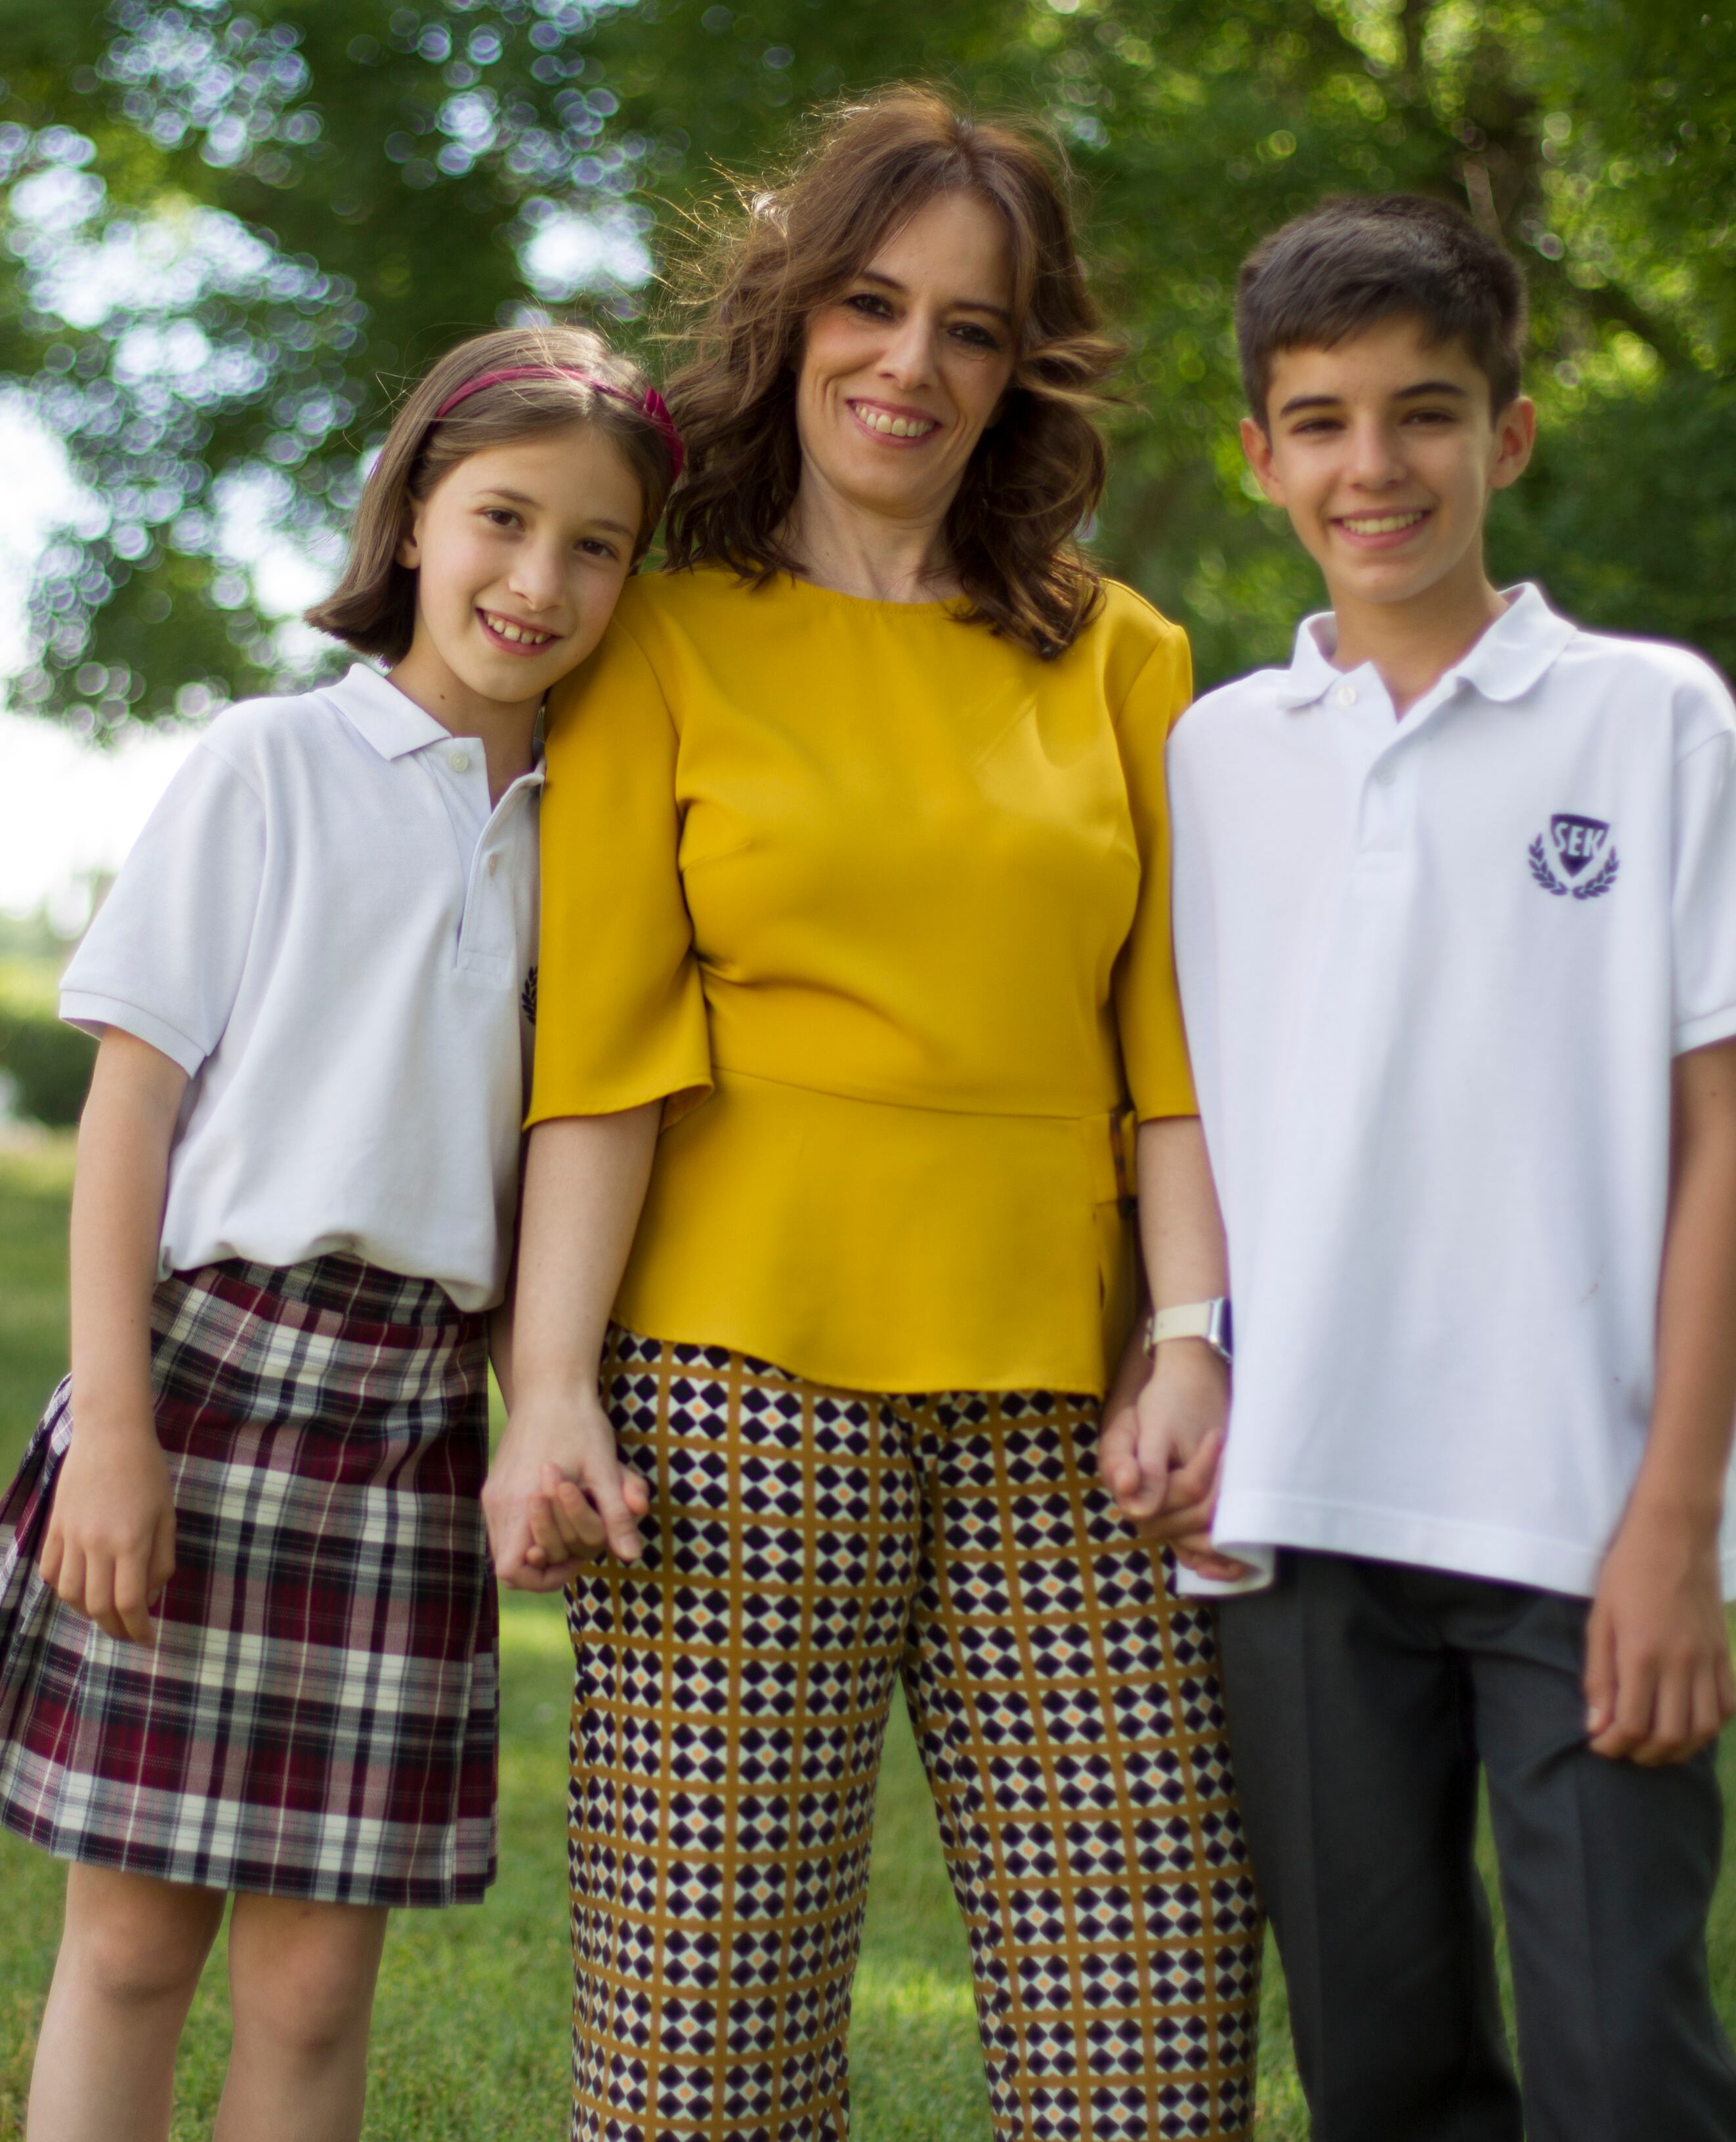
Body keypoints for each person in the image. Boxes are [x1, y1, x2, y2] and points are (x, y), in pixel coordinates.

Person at [486, 91, 1261, 2142]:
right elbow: (606, 1055)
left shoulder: (1130, 661)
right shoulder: (656, 631)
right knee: (698, 2076)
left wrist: (1195, 1339)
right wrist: (549, 1385)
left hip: (1076, 1416)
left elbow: (1176, 1050)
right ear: (794, 315)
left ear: (1024, 372)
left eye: (973, 328)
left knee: (1151, 2043)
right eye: (872, 302)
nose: (912, 362)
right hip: (731, 1409)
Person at [0, 324, 681, 2142]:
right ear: (417, 513)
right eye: (503, 516)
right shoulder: (270, 763)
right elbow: (131, 1112)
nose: (539, 578)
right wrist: (114, 1431)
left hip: (407, 1428)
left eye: (597, 544)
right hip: (199, 1389)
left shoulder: (606, 834)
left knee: (318, 1984)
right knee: (124, 1948)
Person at [1122, 194, 1736, 2141]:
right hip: (1302, 1508)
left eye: (1425, 413)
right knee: (1382, 2066)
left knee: (1622, 2062)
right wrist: (1182, 1341)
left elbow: (1714, 1140)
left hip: (1583, 1512)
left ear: (1508, 431)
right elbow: (1181, 1100)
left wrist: (1674, 1519)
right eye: (1321, 420)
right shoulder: (1213, 755)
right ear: (1258, 454)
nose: (1375, 465)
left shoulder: (1653, 718)